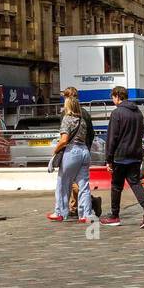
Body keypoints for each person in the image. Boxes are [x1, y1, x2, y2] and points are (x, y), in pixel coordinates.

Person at [100, 86, 144, 228]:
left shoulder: (117, 113)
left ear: (117, 96)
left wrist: (109, 160)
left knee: (116, 185)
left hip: (120, 156)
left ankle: (114, 215)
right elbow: (141, 134)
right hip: (135, 155)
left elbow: (112, 138)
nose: (112, 100)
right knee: (135, 183)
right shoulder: (138, 114)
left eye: (112, 97)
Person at [48, 91, 95, 223]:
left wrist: (55, 150)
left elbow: (64, 140)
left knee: (63, 183)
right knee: (84, 185)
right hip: (84, 152)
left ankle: (60, 212)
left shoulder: (67, 119)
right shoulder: (82, 120)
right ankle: (86, 214)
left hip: (72, 152)